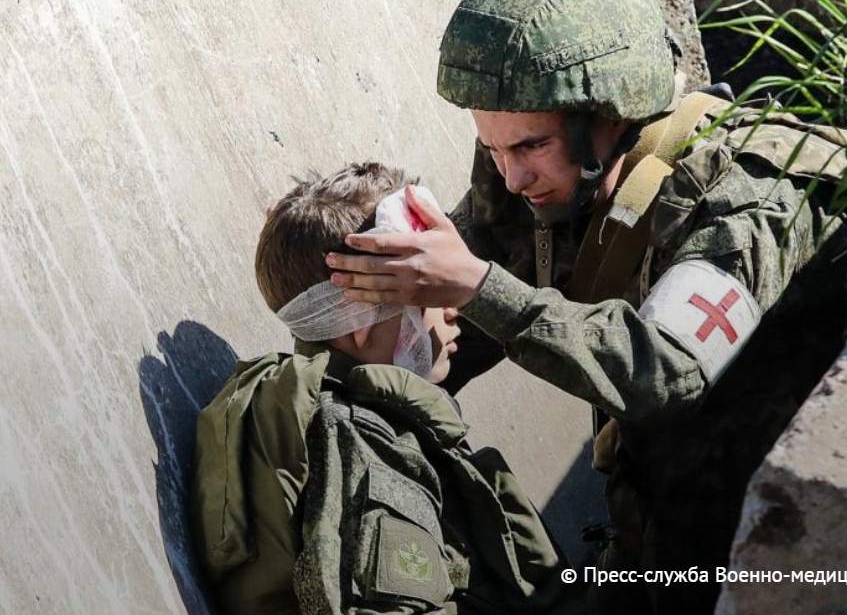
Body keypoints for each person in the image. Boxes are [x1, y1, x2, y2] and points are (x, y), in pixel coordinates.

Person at [325, 0, 847, 614]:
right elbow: (438, 327)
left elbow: (664, 366)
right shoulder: (555, 177)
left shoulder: (749, 198)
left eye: (528, 147)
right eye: (493, 149)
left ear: (608, 116)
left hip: (781, 555)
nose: (511, 176)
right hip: (655, 535)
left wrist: (475, 286)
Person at [190, 162, 576, 615]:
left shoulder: (357, 422)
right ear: (358, 322)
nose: (452, 310)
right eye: (426, 291)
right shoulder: (367, 446)